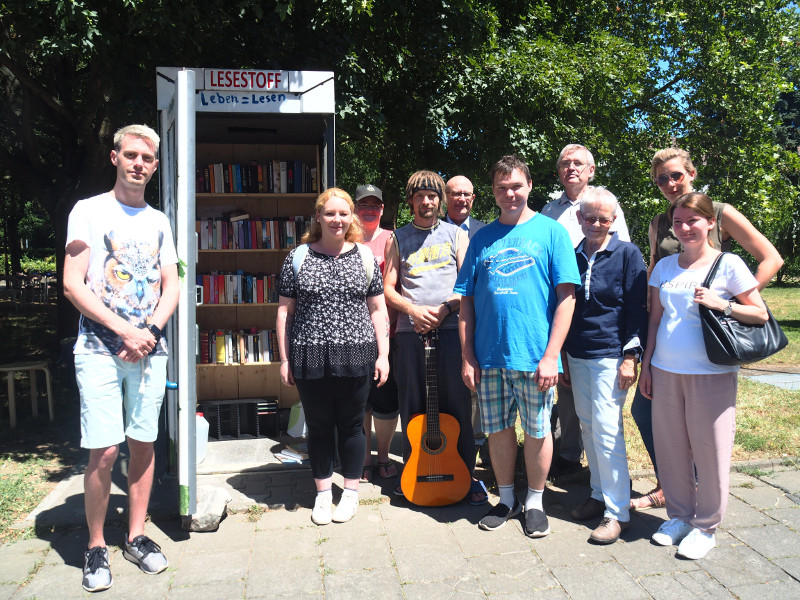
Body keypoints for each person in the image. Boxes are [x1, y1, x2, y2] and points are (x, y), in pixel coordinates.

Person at [629, 147, 784, 510]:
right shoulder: (659, 222)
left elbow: (771, 258)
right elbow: (655, 271)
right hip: (669, 335)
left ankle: (693, 490)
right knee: (645, 411)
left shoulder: (720, 213)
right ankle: (672, 484)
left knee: (703, 425)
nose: (669, 183)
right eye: (661, 179)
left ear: (692, 174)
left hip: (709, 337)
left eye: (676, 175)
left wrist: (733, 300)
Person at [63, 124, 180, 592]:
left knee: (144, 444)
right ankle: (95, 545)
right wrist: (124, 329)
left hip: (151, 349)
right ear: (115, 158)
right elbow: (73, 282)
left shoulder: (159, 220)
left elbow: (170, 284)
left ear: (154, 165)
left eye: (146, 158)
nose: (138, 163)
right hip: (98, 348)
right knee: (105, 449)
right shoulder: (88, 211)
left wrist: (149, 331)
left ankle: (136, 535)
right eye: (130, 155)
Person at [639, 192, 768, 559]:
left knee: (710, 451)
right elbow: (654, 320)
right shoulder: (664, 268)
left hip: (711, 373)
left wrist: (722, 303)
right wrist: (647, 366)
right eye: (678, 222)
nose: (684, 228)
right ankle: (680, 516)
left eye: (692, 221)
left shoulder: (729, 264)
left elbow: (758, 314)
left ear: (711, 222)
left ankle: (706, 526)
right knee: (672, 447)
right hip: (665, 370)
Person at [456, 155, 579, 537]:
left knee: (539, 430)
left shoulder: (551, 232)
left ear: (529, 186)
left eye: (516, 186)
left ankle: (536, 502)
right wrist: (468, 357)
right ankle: (506, 499)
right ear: (492, 192)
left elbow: (567, 297)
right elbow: (466, 301)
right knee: (498, 430)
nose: (510, 193)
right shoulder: (482, 238)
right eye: (501, 187)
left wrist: (551, 355)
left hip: (534, 356)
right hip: (489, 356)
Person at [277, 188, 390, 526]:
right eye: (330, 213)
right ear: (318, 217)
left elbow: (378, 309)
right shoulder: (297, 257)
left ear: (351, 217)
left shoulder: (365, 257)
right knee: (321, 426)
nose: (337, 220)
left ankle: (351, 493)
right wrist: (285, 359)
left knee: (353, 425)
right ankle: (323, 494)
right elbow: (285, 312)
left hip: (357, 355)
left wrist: (383, 355)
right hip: (309, 356)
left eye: (343, 214)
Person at [383, 170, 487, 505]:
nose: (426, 202)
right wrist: (413, 311)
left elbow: (466, 284)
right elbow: (388, 289)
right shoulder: (397, 238)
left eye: (432, 196)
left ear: (439, 200)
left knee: (456, 405)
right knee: (412, 405)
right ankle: (413, 471)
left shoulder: (456, 236)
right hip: (409, 334)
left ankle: (466, 476)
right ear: (411, 200)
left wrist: (443, 310)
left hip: (450, 329)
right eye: (420, 196)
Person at [562, 188, 647, 544]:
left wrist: (631, 357)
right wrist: (563, 355)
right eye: (589, 217)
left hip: (611, 355)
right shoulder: (571, 254)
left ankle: (618, 513)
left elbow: (636, 309)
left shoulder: (627, 254)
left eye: (603, 219)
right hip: (577, 354)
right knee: (587, 426)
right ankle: (598, 495)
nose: (596, 224)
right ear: (579, 219)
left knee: (608, 430)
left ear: (613, 222)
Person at [542, 143, 630, 480]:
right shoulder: (549, 210)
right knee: (565, 381)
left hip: (596, 309)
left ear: (591, 170)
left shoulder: (606, 204)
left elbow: (618, 256)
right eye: (565, 163)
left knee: (599, 400)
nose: (571, 168)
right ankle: (568, 453)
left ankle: (605, 469)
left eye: (579, 163)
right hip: (559, 304)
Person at [353, 184, 400, 483]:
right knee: (360, 401)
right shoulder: (345, 240)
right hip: (354, 336)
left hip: (389, 334)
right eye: (364, 205)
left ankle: (383, 455)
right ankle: (364, 456)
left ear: (382, 209)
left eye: (375, 205)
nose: (369, 209)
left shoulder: (392, 240)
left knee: (385, 399)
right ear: (356, 208)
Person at [444, 175, 488, 458]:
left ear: (473, 198)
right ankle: (450, 439)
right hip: (441, 319)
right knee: (448, 381)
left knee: (478, 381)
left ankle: (480, 442)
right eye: (455, 193)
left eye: (466, 194)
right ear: (445, 197)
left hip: (479, 317)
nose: (461, 199)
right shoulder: (430, 231)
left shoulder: (486, 232)